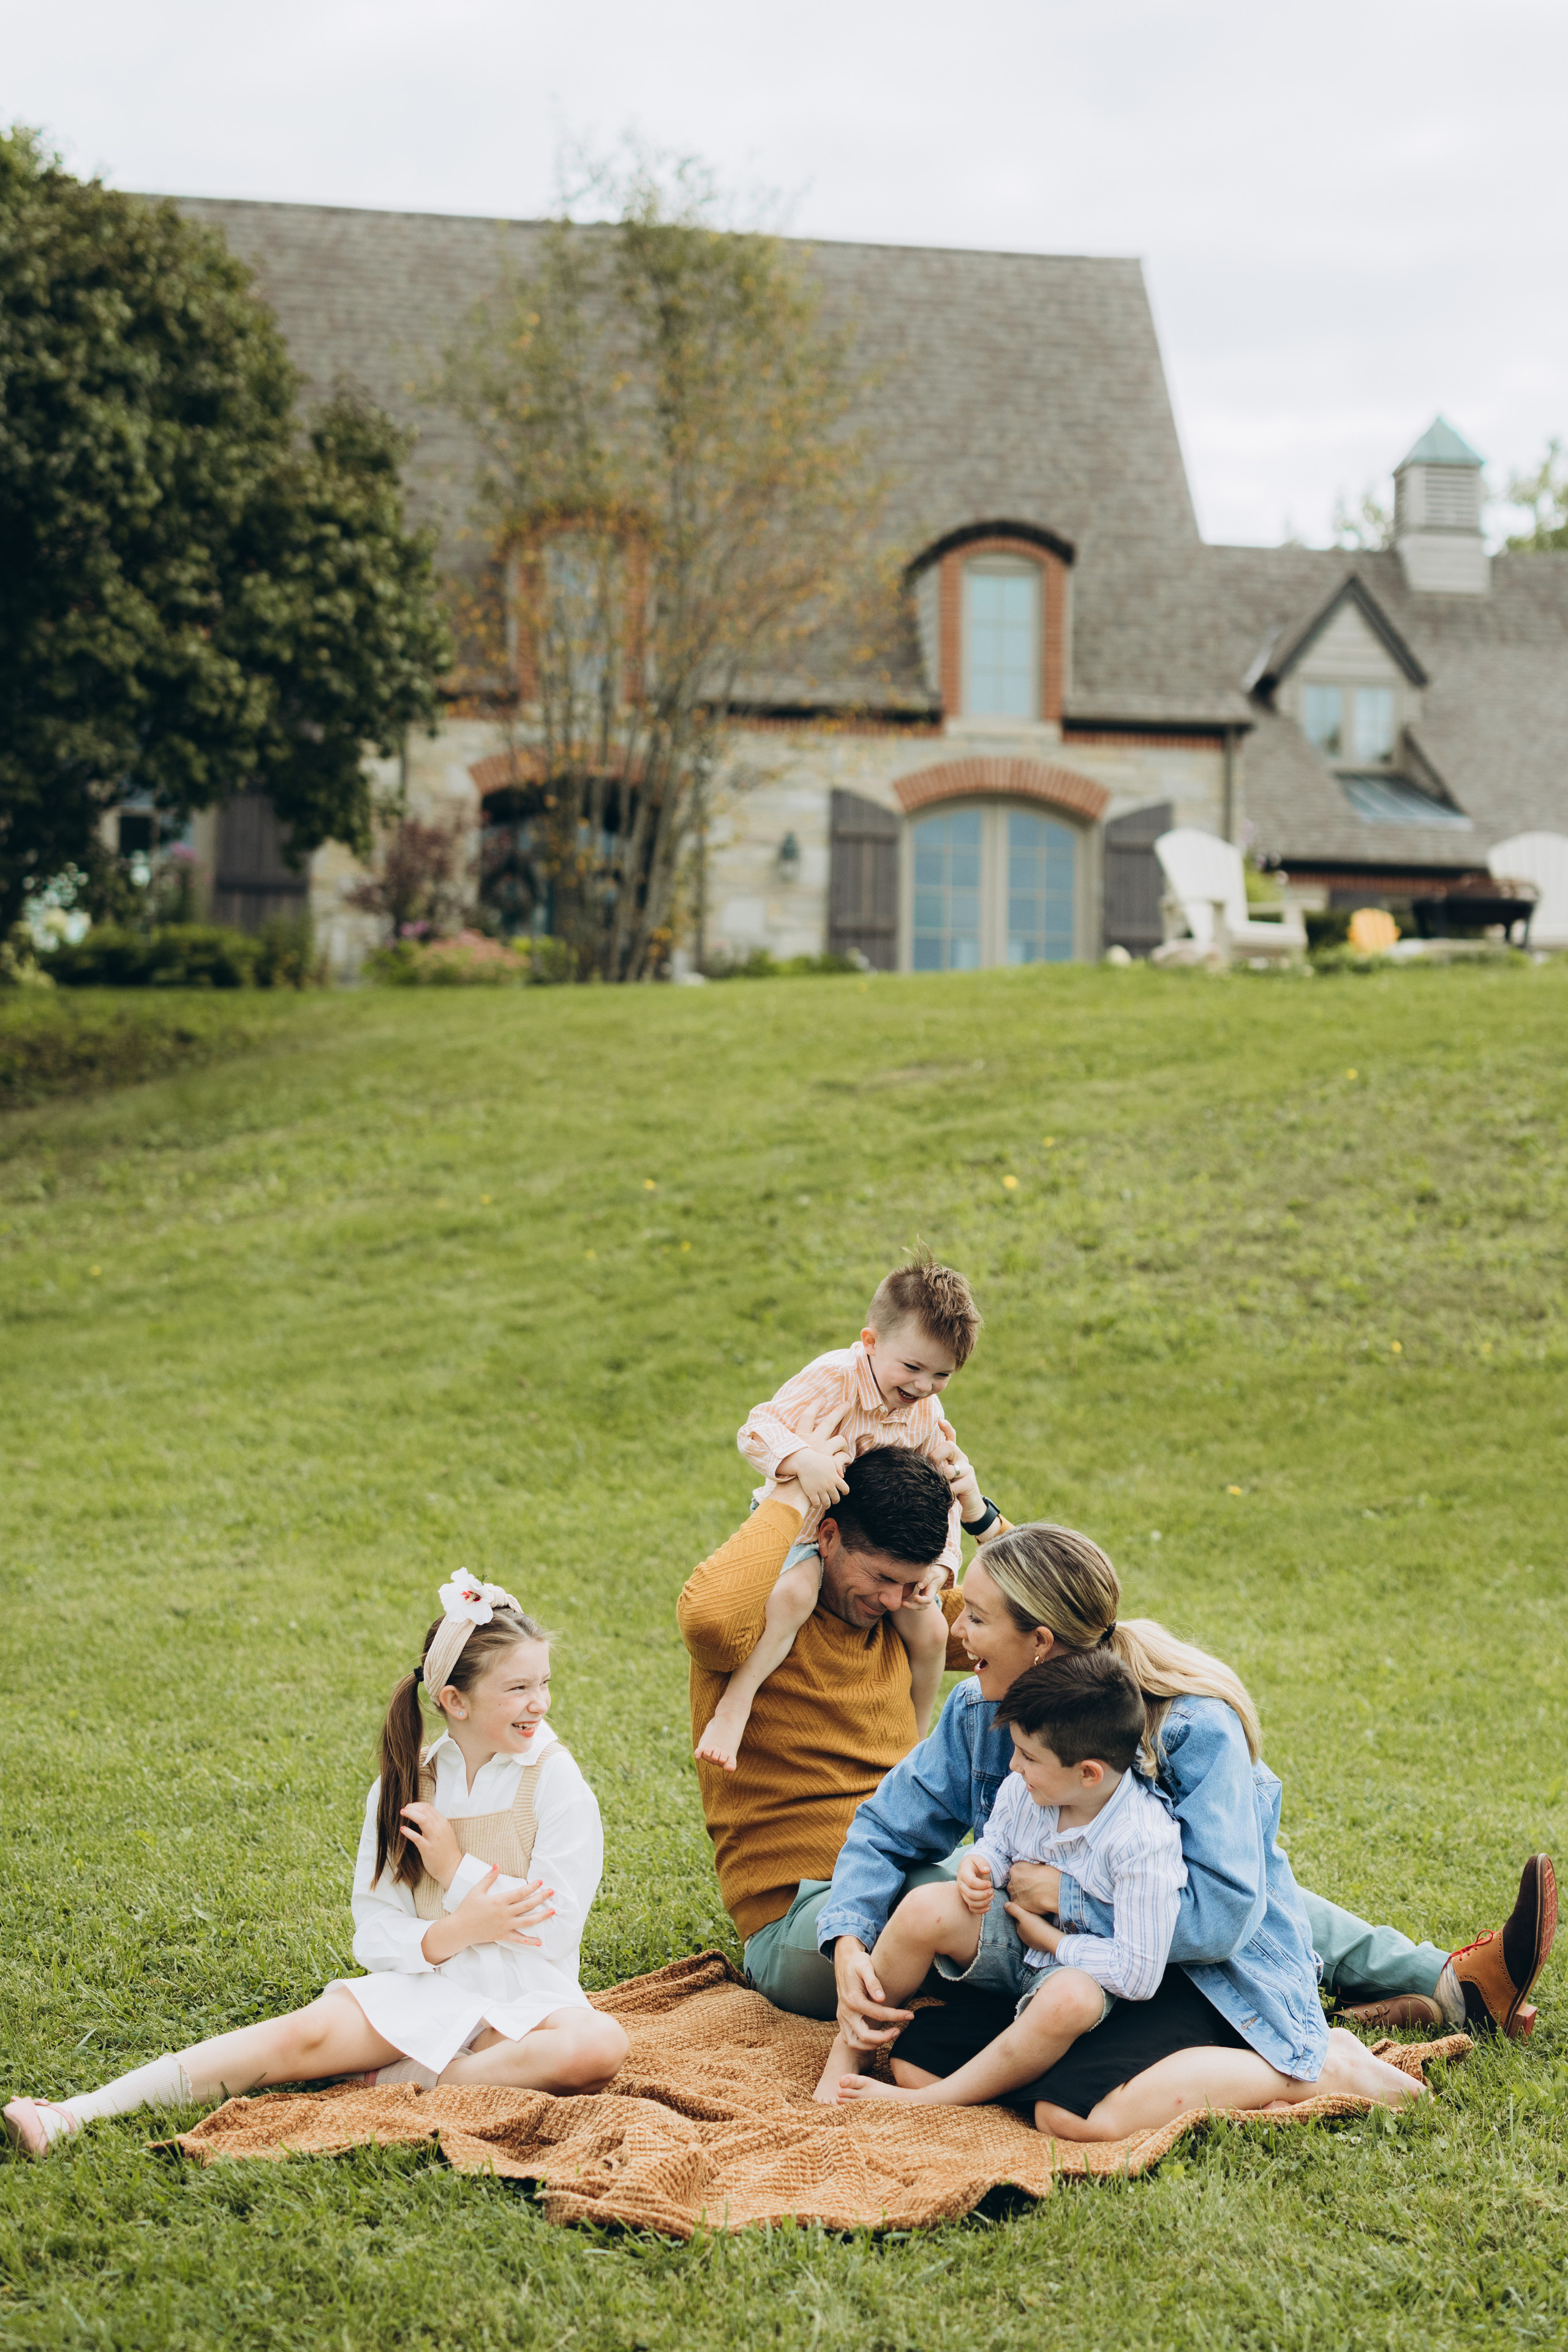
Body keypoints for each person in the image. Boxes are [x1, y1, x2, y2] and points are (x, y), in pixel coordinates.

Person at [813, 1526, 1556, 2132]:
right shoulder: (981, 1712)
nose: (954, 1631)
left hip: (1193, 1970)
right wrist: (849, 1942)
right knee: (918, 2060)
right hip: (1068, 1964)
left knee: (1073, 2113)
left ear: (1040, 1642)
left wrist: (1067, 1900)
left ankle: (1315, 2064)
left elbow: (1225, 1914)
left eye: (973, 1616)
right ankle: (1442, 1986)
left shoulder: (1190, 1729)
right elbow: (887, 1827)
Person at [3, 1577, 628, 2158]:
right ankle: (72, 2113)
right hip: (429, 1986)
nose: (539, 1703)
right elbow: (377, 1930)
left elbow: (554, 1929)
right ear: (453, 1701)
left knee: (599, 2045)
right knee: (290, 2040)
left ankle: (400, 2081)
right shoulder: (406, 1787)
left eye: (544, 1683)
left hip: (527, 2001)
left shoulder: (554, 1778)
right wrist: (453, 1934)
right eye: (518, 1689)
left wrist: (455, 1867)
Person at [679, 1436, 999, 2008]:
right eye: (879, 1576)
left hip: (911, 1872)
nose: (893, 1597)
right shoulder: (756, 1628)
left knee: (1020, 1900)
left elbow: (1043, 1622)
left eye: (910, 1581)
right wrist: (790, 1489)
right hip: (803, 1915)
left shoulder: (908, 1612)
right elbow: (707, 1619)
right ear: (827, 1537)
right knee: (962, 1917)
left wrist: (979, 1515)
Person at [820, 1648, 1188, 2108]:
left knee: (1069, 2000)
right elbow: (997, 1842)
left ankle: (936, 2099)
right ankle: (852, 2046)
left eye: (1028, 1756)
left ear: (1089, 1773)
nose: (1013, 1766)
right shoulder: (1024, 1787)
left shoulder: (1142, 1839)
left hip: (1080, 1970)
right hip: (1014, 1939)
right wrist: (983, 1866)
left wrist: (1054, 1943)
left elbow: (1137, 1975)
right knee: (923, 1909)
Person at [696, 1251, 981, 1773]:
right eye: (913, 1367)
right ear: (870, 1342)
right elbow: (756, 1429)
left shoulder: (926, 1411)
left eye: (941, 1375)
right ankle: (735, 1705)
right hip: (803, 1528)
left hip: (878, 1542)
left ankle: (914, 1745)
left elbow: (932, 1494)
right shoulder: (833, 1378)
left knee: (933, 1629)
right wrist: (803, 1461)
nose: (923, 1386)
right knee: (794, 1596)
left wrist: (941, 1565)